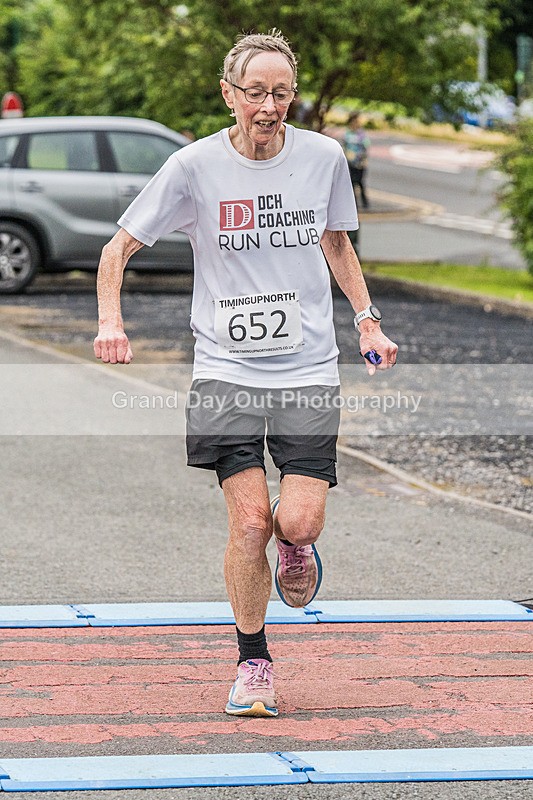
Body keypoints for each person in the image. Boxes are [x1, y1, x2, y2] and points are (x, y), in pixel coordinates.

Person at [93, 29, 397, 718]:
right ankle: (253, 663)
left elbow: (336, 243)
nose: (268, 107)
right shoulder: (194, 166)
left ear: (293, 95)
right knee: (249, 520)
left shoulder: (321, 158)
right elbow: (117, 249)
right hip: (224, 368)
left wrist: (367, 320)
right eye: (254, 93)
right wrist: (111, 321)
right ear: (228, 93)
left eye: (281, 93)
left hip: (307, 366)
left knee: (297, 518)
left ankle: (298, 547)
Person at [344, 112, 371, 209]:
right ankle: (354, 203)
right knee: (351, 183)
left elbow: (366, 147)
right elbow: (346, 146)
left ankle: (365, 203)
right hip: (350, 162)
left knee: (360, 182)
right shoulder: (347, 133)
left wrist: (363, 160)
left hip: (359, 162)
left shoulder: (361, 134)